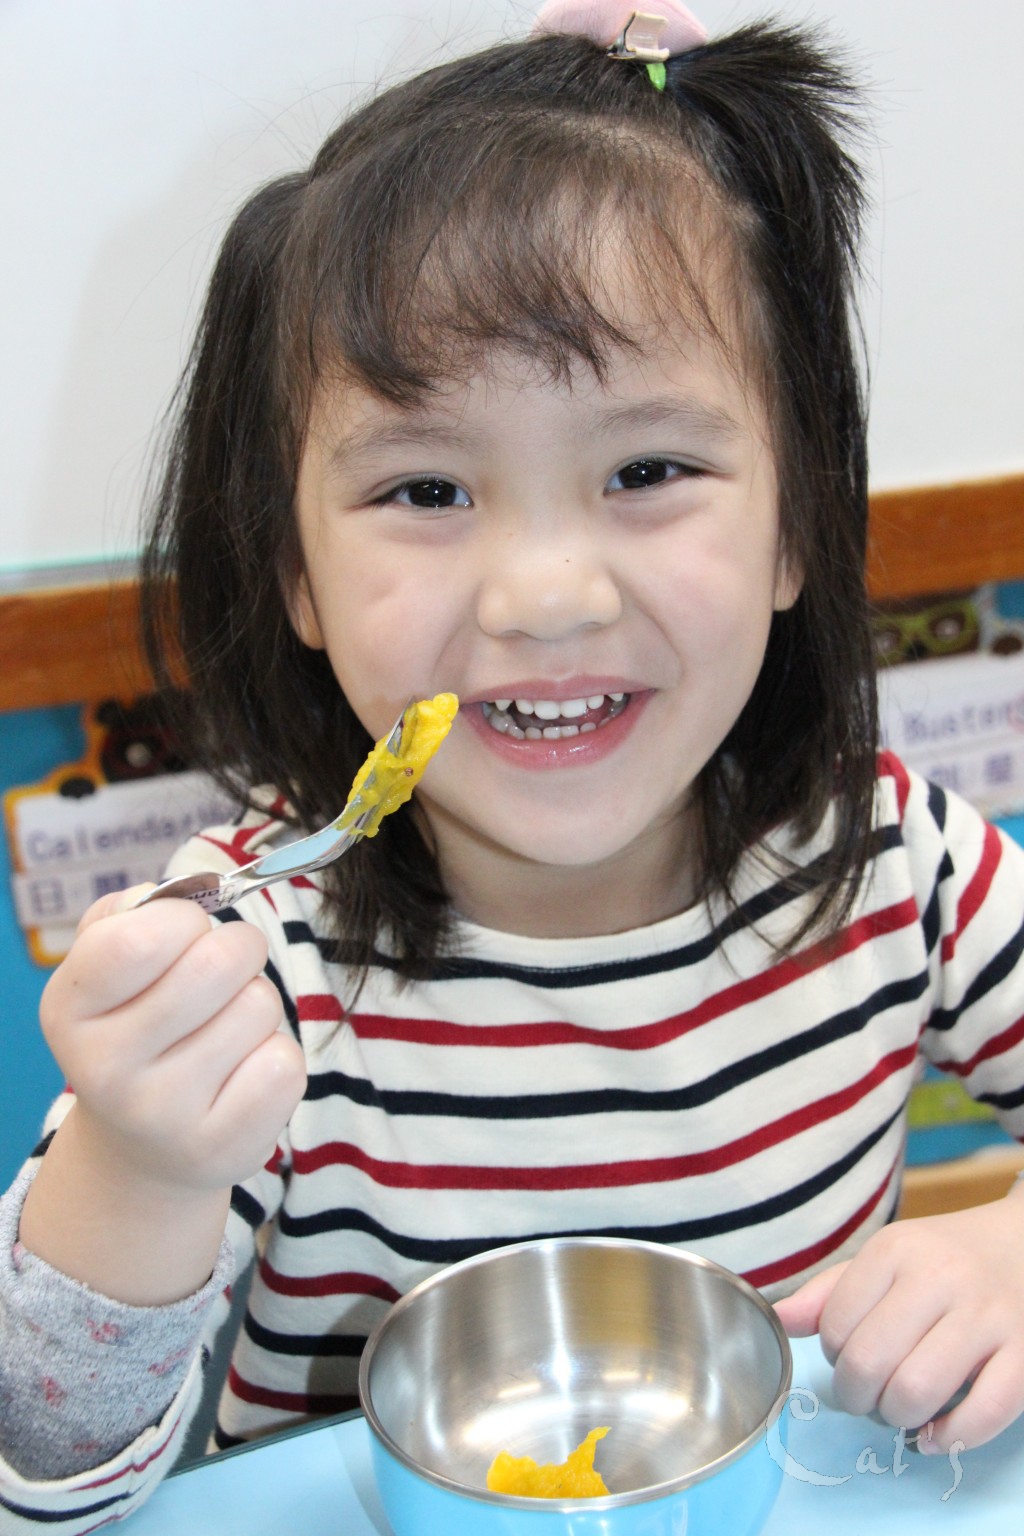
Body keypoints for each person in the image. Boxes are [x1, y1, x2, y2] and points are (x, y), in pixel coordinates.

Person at [4, 0, 1024, 1525]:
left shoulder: (891, 858)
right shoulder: (256, 958)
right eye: (427, 489)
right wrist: (140, 1168)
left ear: (798, 525)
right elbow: (43, 1480)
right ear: (295, 574)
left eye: (647, 469)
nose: (544, 596)